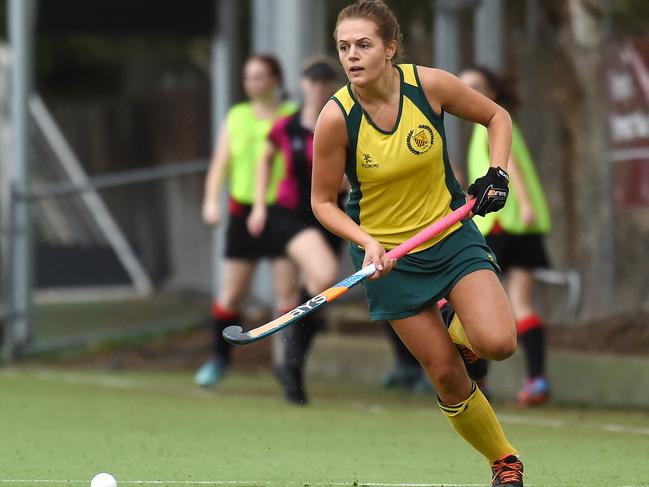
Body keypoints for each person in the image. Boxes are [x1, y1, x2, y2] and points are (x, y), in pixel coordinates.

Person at [311, 1, 524, 485]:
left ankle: (457, 327)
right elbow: (323, 203)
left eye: (363, 45)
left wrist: (497, 172)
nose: (352, 56)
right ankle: (504, 462)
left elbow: (497, 118)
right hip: (386, 258)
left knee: (497, 343)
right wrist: (366, 243)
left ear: (390, 47)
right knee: (447, 375)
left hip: (448, 236)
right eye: (344, 47)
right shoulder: (335, 118)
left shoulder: (429, 86)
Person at [195, 54, 298, 387]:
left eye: (259, 77)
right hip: (243, 214)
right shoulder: (236, 116)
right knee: (232, 294)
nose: (252, 83)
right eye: (247, 77)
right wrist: (211, 201)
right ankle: (219, 360)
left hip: (281, 214)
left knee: (287, 297)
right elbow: (220, 164)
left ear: (275, 80)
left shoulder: (290, 116)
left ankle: (287, 369)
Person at [247, 57, 343, 405]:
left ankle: (291, 369)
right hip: (289, 217)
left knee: (302, 300)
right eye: (312, 81)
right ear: (302, 85)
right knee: (325, 276)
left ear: (332, 86)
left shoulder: (341, 125)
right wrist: (259, 203)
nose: (318, 88)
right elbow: (265, 158)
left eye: (324, 81)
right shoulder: (286, 127)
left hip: (329, 217)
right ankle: (290, 365)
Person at [460, 66, 552, 407]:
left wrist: (525, 204)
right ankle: (536, 380)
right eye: (463, 87)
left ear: (492, 92)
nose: (469, 93)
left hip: (501, 228)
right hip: (519, 230)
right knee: (520, 305)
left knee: (475, 305)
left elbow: (509, 165)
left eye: (476, 87)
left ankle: (477, 381)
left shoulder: (490, 125)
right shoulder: (484, 127)